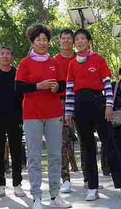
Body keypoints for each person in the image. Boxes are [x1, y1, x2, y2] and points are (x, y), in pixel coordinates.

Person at [64, 29, 121, 201]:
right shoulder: (72, 64)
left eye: (82, 39)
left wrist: (109, 106)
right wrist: (68, 112)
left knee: (110, 145)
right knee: (87, 148)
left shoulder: (98, 60)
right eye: (77, 39)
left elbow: (108, 85)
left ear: (88, 41)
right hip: (80, 106)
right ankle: (92, 187)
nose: (79, 41)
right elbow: (70, 90)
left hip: (98, 104)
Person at [16, 24, 71, 209]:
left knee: (55, 155)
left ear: (48, 42)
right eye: (38, 39)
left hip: (54, 113)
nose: (42, 42)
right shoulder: (25, 63)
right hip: (31, 115)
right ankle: (36, 197)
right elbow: (18, 87)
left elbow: (63, 85)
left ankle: (55, 196)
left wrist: (57, 88)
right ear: (32, 42)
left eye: (45, 39)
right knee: (34, 156)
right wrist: (38, 86)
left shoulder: (55, 62)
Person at [0, 45, 25, 198]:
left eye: (8, 54)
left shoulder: (18, 75)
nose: (5, 56)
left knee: (16, 151)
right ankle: (0, 185)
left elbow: (23, 97)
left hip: (15, 119)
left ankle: (17, 184)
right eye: (2, 54)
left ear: (12, 57)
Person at [51, 29, 77, 194]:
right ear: (59, 41)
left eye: (69, 38)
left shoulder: (80, 57)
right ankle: (65, 179)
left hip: (81, 101)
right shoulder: (54, 61)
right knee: (63, 142)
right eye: (64, 38)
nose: (66, 41)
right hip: (61, 102)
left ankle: (90, 178)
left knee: (86, 138)